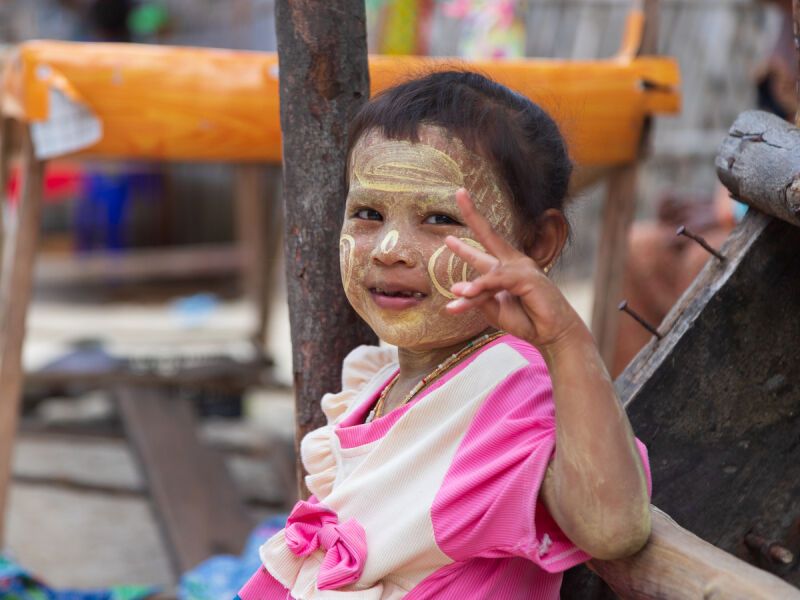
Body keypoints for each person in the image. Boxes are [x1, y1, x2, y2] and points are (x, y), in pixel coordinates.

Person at [238, 71, 652, 599]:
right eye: (368, 212)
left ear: (539, 242)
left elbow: (613, 527)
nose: (389, 247)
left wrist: (566, 338)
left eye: (438, 218)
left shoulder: (510, 393)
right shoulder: (385, 379)